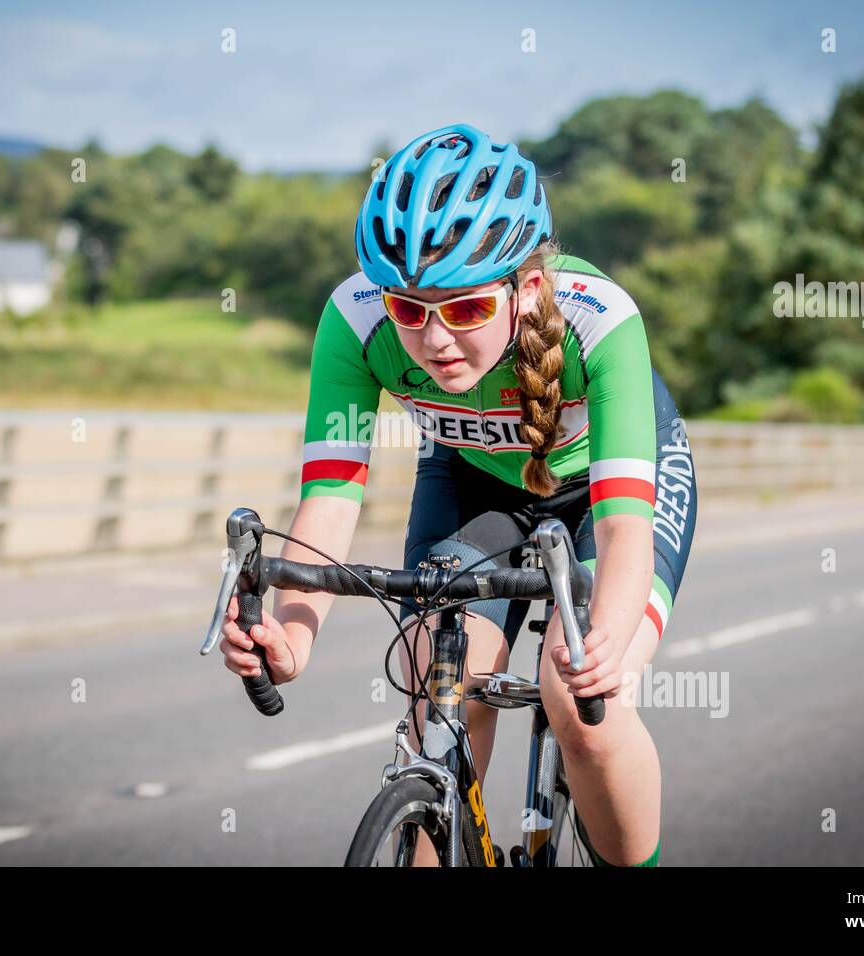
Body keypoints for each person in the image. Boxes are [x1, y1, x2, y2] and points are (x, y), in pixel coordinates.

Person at [219, 123, 697, 867]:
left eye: (467, 309)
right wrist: (295, 637)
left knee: (582, 706)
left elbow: (627, 527)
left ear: (525, 288)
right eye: (409, 311)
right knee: (433, 678)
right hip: (475, 483)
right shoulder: (353, 321)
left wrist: (603, 646)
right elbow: (332, 495)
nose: (435, 338)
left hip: (607, 494)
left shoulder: (599, 322)